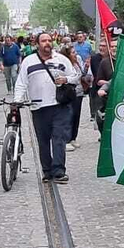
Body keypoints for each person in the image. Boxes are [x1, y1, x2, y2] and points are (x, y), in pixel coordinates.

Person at [13, 32, 81, 183]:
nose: (47, 43)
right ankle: (47, 171)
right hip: (38, 106)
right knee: (43, 140)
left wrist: (66, 79)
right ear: (37, 44)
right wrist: (17, 100)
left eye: (49, 40)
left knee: (58, 138)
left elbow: (76, 77)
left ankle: (58, 171)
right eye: (43, 41)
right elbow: (21, 83)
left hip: (59, 105)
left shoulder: (62, 59)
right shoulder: (28, 61)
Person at [88, 36, 115, 133]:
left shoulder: (123, 61)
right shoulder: (102, 61)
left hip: (119, 95)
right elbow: (98, 79)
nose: (114, 49)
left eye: (116, 46)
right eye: (112, 47)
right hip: (103, 95)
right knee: (101, 120)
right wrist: (110, 84)